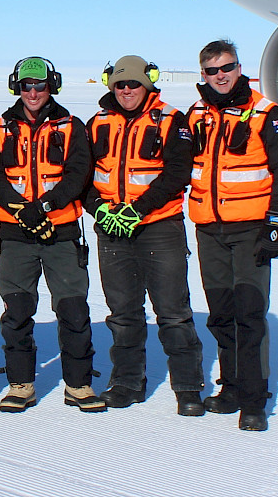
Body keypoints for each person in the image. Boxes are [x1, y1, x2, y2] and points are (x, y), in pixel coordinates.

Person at [185, 40, 278, 431]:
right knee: (221, 314)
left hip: (250, 230)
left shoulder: (266, 113)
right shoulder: (197, 113)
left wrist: (274, 223)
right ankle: (231, 387)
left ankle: (254, 400)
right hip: (209, 229)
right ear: (203, 74)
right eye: (213, 70)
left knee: (249, 313)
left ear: (239, 68)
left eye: (227, 67)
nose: (221, 76)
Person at [83, 55, 206, 416]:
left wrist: (138, 209)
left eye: (133, 84)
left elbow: (177, 174)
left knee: (173, 311)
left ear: (147, 84)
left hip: (159, 228)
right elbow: (81, 174)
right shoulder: (97, 123)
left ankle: (187, 387)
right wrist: (99, 209)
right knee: (122, 313)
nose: (126, 91)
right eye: (120, 85)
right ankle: (126, 382)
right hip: (112, 230)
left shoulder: (171, 120)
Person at [0, 57, 104, 413]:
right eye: (27, 85)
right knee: (17, 311)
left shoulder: (72, 126)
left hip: (62, 233)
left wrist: (47, 206)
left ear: (51, 85)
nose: (33, 92)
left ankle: (79, 385)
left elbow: (78, 173)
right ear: (16, 87)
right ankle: (21, 384)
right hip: (16, 234)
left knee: (72, 308)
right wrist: (23, 210)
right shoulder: (0, 127)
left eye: (40, 85)